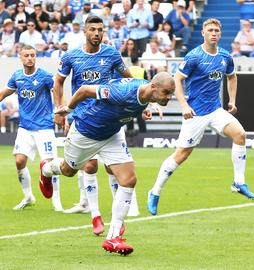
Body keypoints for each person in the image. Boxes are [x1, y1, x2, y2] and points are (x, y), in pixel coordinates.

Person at [42, 73, 175, 255]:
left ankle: (113, 238)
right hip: (86, 132)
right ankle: (46, 169)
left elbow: (145, 98)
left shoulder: (148, 91)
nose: (169, 97)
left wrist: (149, 105)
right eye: (167, 93)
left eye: (171, 94)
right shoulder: (123, 92)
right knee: (67, 170)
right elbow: (84, 90)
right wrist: (69, 110)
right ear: (153, 87)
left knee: (128, 180)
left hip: (112, 134)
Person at [147, 18, 254, 216]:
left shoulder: (225, 56)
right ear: (203, 33)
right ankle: (155, 191)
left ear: (220, 33)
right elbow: (177, 79)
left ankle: (239, 182)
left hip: (215, 111)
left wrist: (232, 100)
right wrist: (183, 105)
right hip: (195, 113)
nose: (214, 33)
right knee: (181, 155)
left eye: (217, 30)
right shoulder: (194, 56)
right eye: (210, 30)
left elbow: (232, 76)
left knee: (240, 135)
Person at [54, 16, 135, 234]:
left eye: (100, 29)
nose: (97, 33)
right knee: (87, 167)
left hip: (109, 117)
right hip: (81, 118)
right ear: (84, 31)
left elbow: (128, 78)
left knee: (114, 169)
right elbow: (58, 82)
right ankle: (95, 215)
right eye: (92, 29)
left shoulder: (111, 54)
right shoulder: (71, 56)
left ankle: (117, 218)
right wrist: (60, 110)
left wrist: (140, 101)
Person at [0, 45, 62, 211]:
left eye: (32, 55)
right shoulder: (17, 76)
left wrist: (58, 109)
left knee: (51, 165)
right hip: (25, 128)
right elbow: (4, 92)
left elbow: (57, 86)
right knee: (19, 161)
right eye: (26, 55)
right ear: (20, 58)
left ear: (36, 57)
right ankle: (28, 196)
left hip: (44, 127)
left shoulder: (43, 76)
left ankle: (57, 201)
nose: (30, 58)